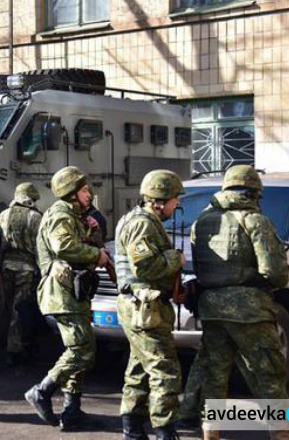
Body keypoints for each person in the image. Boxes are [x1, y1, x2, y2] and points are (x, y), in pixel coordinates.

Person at [192, 165, 289, 440]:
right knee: (267, 374)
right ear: (253, 192)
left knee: (215, 374)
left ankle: (210, 432)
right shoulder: (256, 221)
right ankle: (281, 433)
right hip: (249, 310)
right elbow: (276, 273)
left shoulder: (201, 220)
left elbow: (199, 265)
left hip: (211, 308)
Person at [25, 166, 109, 432]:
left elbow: (84, 243)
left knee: (82, 349)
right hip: (60, 294)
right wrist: (96, 256)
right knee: (81, 349)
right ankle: (42, 390)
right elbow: (64, 247)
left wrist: (93, 231)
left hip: (75, 293)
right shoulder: (61, 214)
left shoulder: (77, 216)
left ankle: (71, 411)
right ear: (72, 193)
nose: (89, 194)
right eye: (84, 190)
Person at [115, 169, 185, 440]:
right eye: (174, 198)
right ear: (160, 200)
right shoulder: (142, 224)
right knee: (165, 372)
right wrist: (174, 259)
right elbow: (145, 267)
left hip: (143, 308)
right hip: (144, 310)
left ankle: (132, 429)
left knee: (140, 370)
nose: (177, 204)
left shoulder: (141, 220)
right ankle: (164, 431)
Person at [0, 182, 42, 365]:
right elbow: (42, 247)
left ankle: (5, 345)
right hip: (28, 269)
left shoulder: (2, 216)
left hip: (6, 267)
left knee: (7, 307)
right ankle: (17, 349)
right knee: (22, 309)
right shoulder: (37, 217)